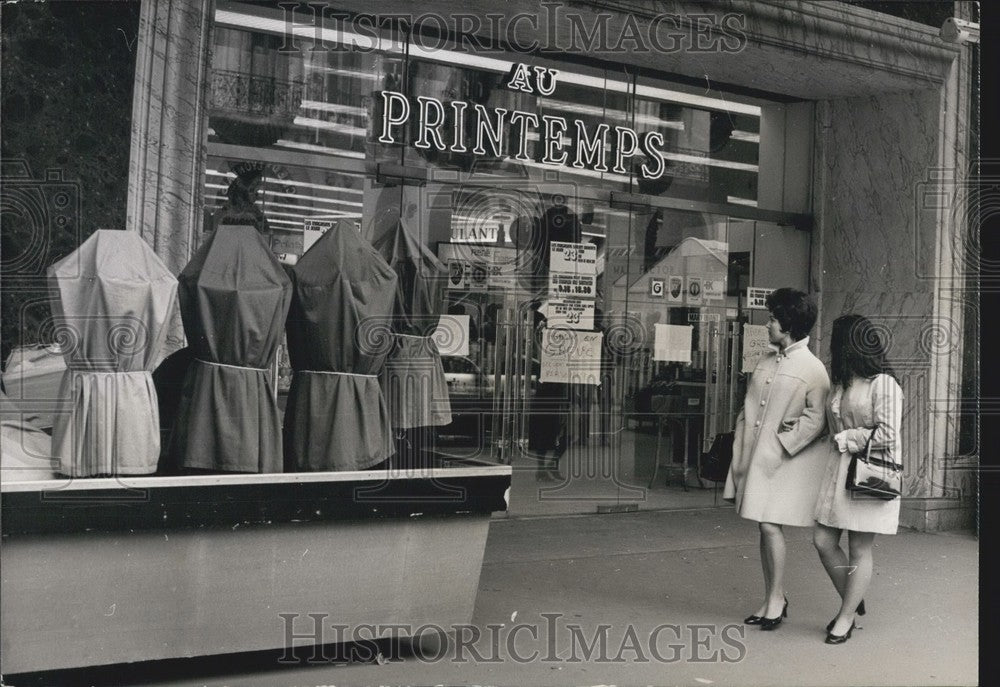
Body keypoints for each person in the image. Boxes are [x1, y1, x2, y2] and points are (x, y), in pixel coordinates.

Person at [723, 288, 830, 630]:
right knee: (763, 525)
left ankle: (777, 599)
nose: (767, 324)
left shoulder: (813, 368)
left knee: (769, 525)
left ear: (788, 324)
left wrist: (785, 443)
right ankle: (773, 597)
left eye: (772, 318)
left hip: (783, 462)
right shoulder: (766, 360)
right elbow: (749, 406)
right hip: (756, 458)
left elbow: (818, 418)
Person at [813, 314, 903, 644]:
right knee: (823, 541)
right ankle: (854, 594)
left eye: (836, 342)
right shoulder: (841, 382)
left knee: (858, 548)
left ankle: (846, 616)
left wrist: (848, 438)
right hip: (839, 472)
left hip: (870, 473)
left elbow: (889, 435)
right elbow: (831, 425)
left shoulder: (883, 384)